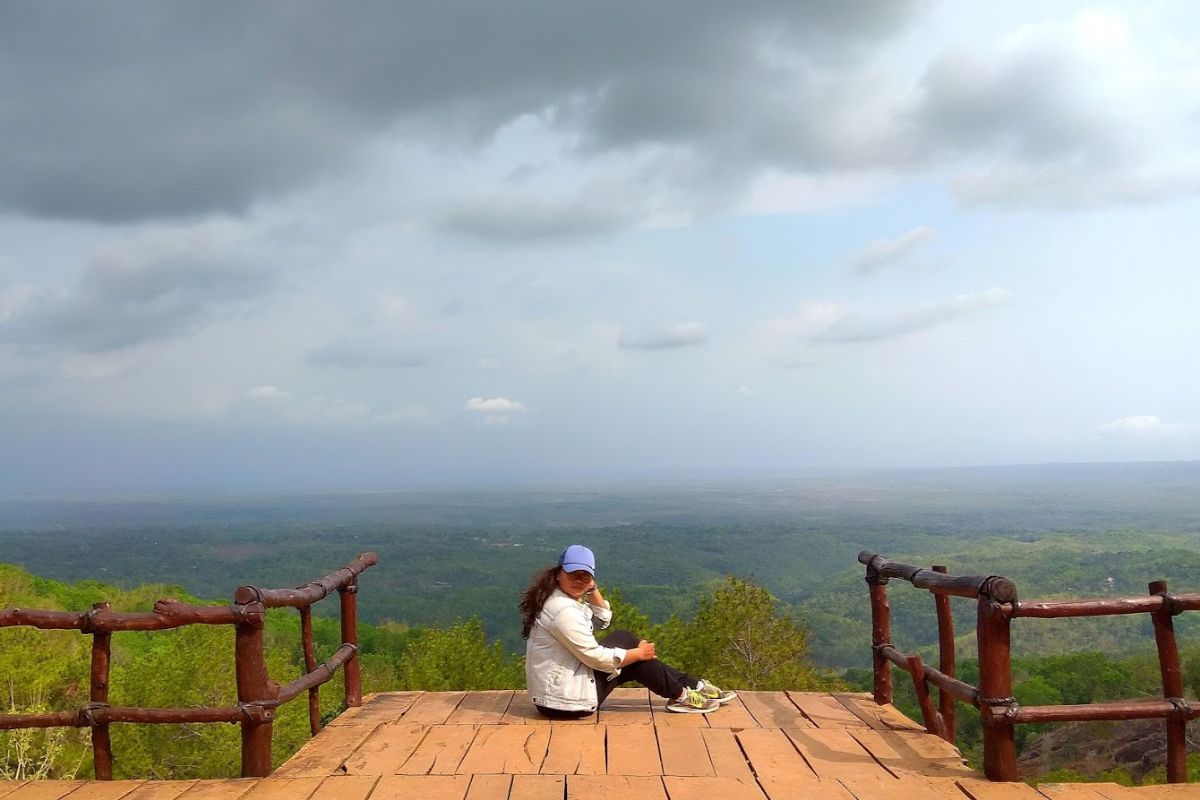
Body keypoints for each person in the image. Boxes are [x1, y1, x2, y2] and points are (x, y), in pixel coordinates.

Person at [520, 544, 736, 718]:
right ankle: (682, 695)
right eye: (572, 575)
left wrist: (592, 589)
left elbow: (602, 619)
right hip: (564, 703)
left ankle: (691, 685)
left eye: (584, 576)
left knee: (625, 639)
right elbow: (597, 659)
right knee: (635, 659)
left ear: (592, 578)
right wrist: (639, 654)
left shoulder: (561, 597)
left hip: (558, 692)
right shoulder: (563, 610)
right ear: (558, 574)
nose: (578, 581)